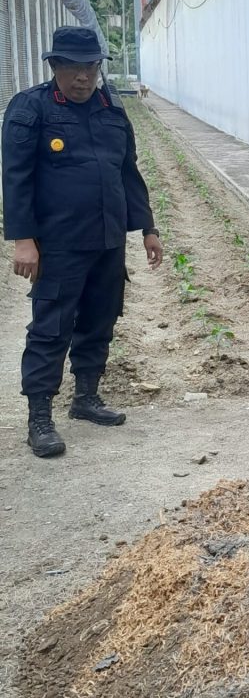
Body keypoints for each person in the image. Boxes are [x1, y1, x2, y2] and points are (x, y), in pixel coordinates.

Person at [1, 26, 163, 459]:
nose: (82, 78)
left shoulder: (111, 108)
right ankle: (40, 417)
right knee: (51, 328)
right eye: (72, 68)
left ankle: (86, 398)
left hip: (107, 241)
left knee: (99, 320)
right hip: (59, 244)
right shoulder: (29, 109)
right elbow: (16, 179)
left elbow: (127, 170)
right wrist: (23, 240)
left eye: (89, 68)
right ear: (55, 67)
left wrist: (147, 228)